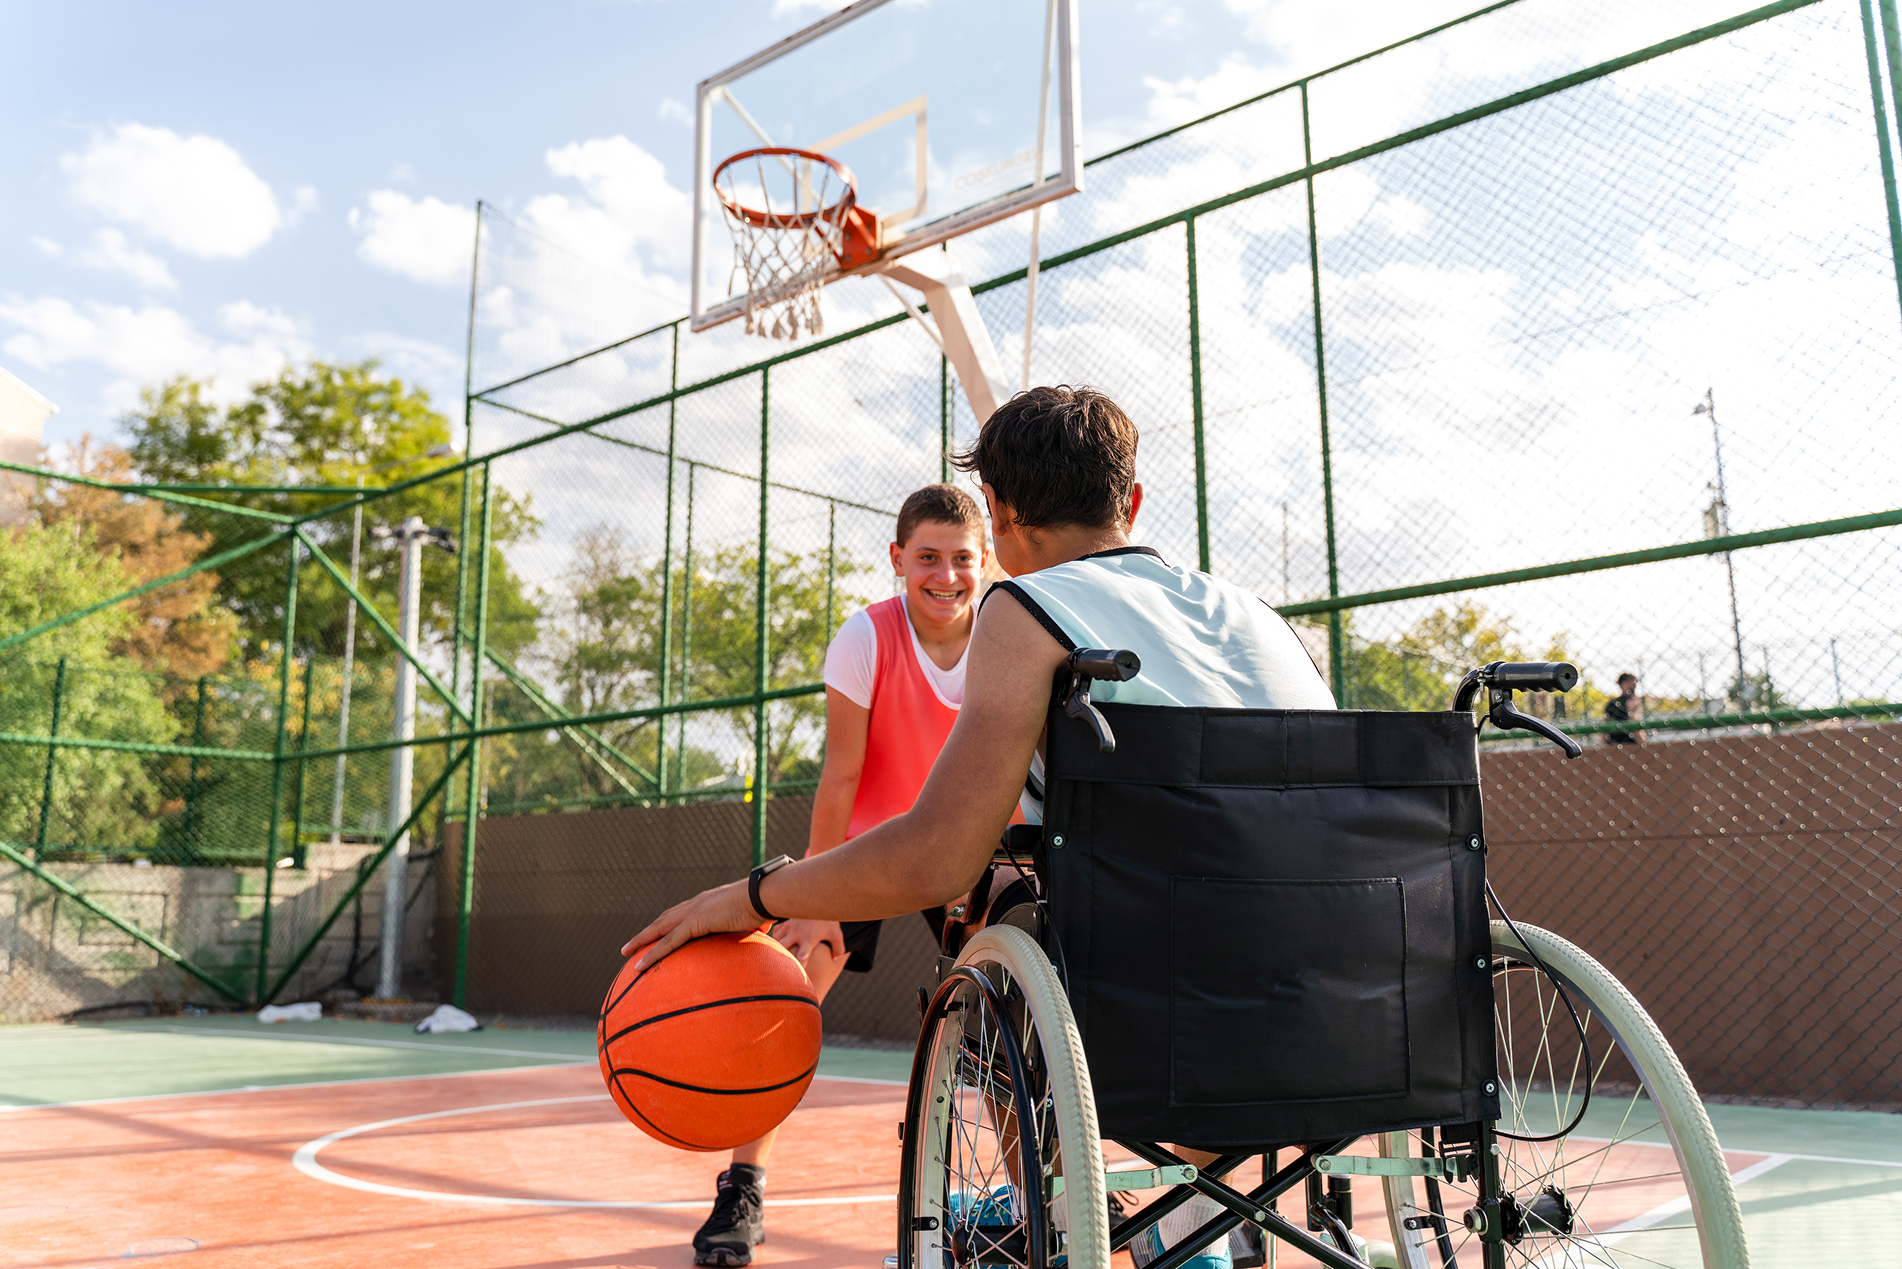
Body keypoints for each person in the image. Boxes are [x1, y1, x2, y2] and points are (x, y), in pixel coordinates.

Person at [631, 385, 1335, 1269]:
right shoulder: (1261, 620)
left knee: (994, 915)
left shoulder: (1028, 612)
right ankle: (1194, 1218)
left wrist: (753, 893)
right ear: (1135, 502)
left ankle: (1044, 1200)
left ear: (998, 523)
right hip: (1335, 1003)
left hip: (1158, 1013)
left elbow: (935, 855)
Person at [690, 483, 994, 1269]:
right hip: (869, 847)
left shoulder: (1006, 631)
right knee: (781, 1009)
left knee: (1009, 1015)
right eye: (927, 557)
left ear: (984, 560)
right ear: (898, 560)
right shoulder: (865, 638)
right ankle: (742, 1184)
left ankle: (1048, 1182)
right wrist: (819, 897)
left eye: (962, 558)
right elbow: (841, 775)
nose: (946, 575)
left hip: (962, 848)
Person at [1605, 672, 1642, 744]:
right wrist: (1643, 741)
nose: (1634, 686)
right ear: (1625, 683)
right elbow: (1633, 722)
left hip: (1612, 742)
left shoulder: (1611, 703)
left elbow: (1604, 723)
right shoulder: (1631, 701)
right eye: (1633, 683)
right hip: (1630, 742)